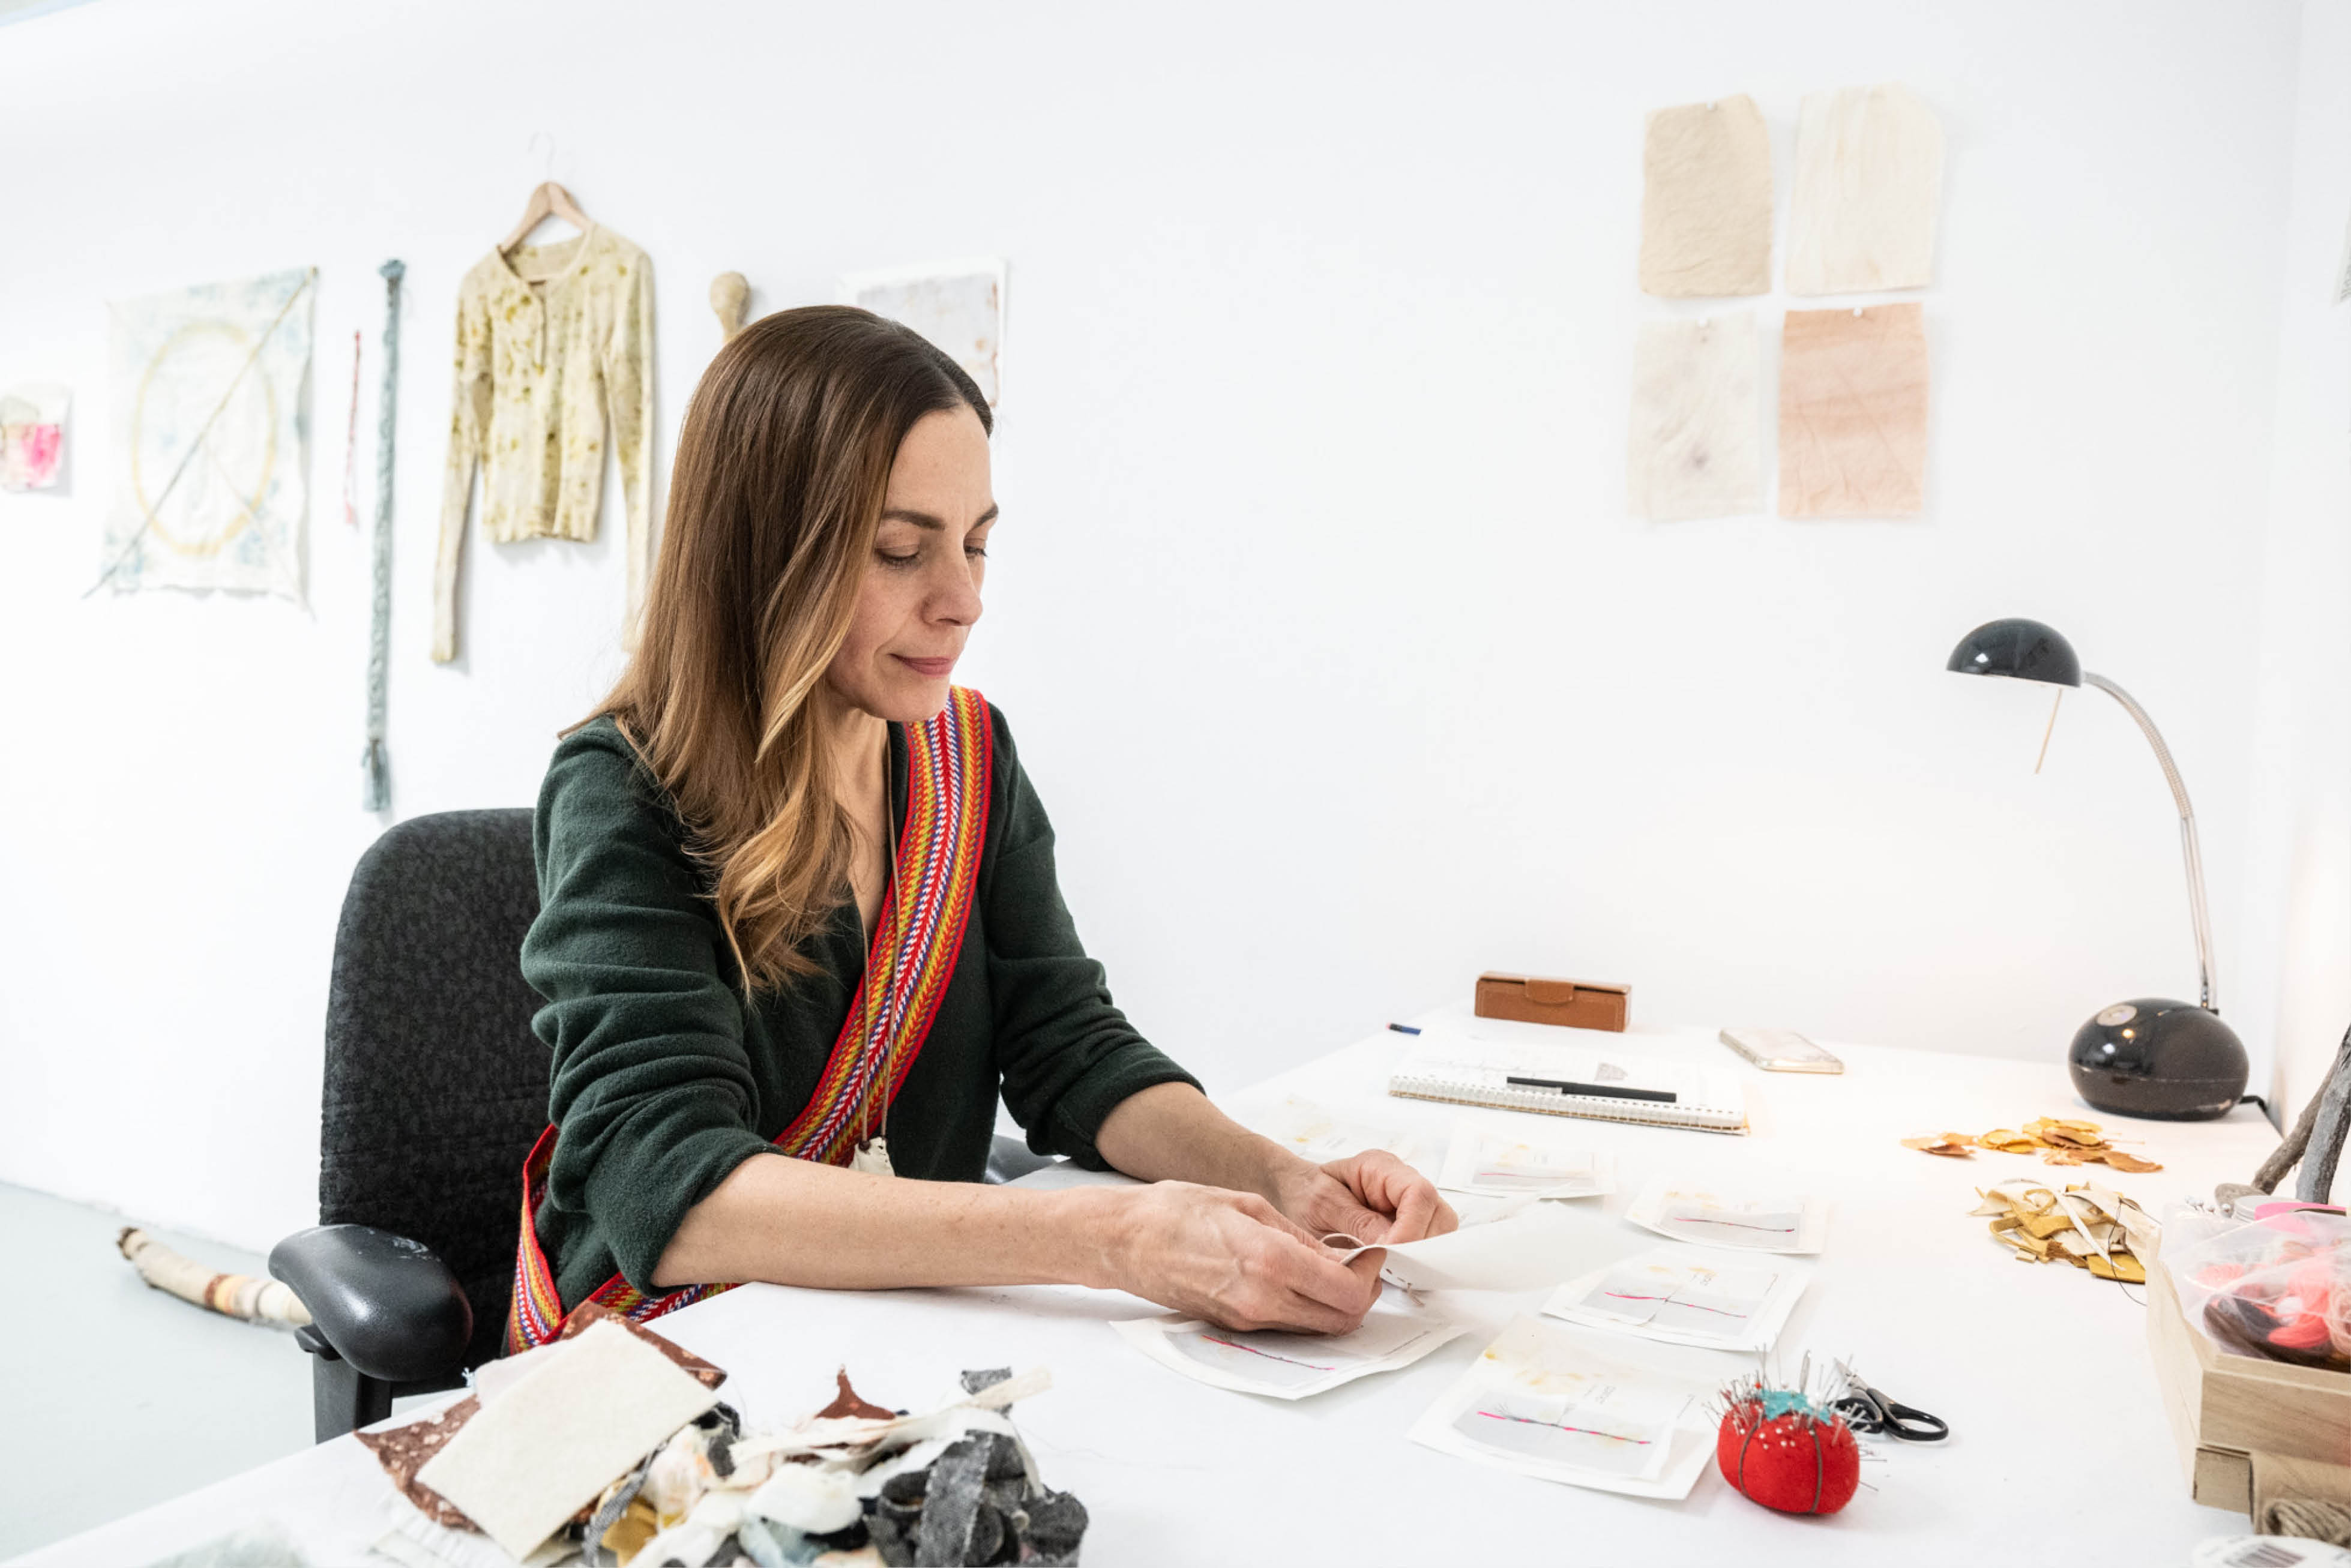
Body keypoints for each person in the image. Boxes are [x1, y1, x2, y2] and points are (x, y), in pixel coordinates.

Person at [505, 305, 1456, 1352]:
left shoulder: (968, 752)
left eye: (976, 544)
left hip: (879, 1343)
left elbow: (1066, 1047)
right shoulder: (623, 786)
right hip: (667, 1354)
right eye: (899, 550)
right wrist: (1111, 1237)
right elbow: (666, 1187)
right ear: (764, 555)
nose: (963, 601)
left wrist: (1286, 1178)